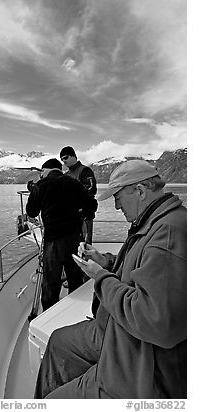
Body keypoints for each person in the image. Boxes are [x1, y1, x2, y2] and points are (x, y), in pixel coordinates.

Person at [34, 159, 186, 399]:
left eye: (117, 196)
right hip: (117, 326)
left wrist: (100, 276)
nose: (116, 206)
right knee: (58, 340)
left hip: (139, 360)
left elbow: (157, 323)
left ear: (140, 190)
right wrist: (106, 262)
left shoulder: (168, 233)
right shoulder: (154, 221)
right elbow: (142, 269)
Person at [26, 158, 97, 311]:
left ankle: (49, 314)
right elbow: (91, 205)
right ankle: (74, 311)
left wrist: (34, 191)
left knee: (51, 281)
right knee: (75, 278)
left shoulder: (41, 185)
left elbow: (31, 211)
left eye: (42, 172)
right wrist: (83, 214)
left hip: (53, 241)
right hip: (74, 239)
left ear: (45, 170)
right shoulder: (74, 183)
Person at [60, 146, 97, 243]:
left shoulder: (85, 170)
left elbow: (91, 189)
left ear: (73, 156)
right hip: (70, 216)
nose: (64, 161)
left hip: (84, 215)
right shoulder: (66, 175)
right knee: (71, 245)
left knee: (84, 245)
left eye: (65, 157)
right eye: (62, 159)